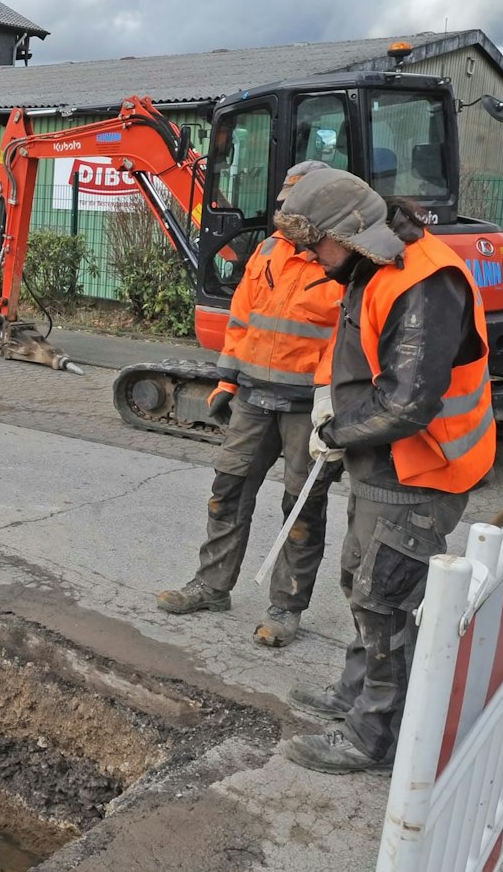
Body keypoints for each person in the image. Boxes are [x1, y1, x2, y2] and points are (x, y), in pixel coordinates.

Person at [272, 168, 496, 775]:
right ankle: (355, 694)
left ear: (350, 231)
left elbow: (405, 403)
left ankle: (376, 734)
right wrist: (332, 401)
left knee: (385, 597)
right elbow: (357, 354)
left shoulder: (422, 282)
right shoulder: (368, 266)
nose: (313, 258)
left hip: (421, 467)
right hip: (386, 460)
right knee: (362, 581)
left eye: (316, 243)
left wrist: (334, 432)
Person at [157, 161, 343, 648]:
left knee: (302, 509)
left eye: (294, 204)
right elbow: (242, 321)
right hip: (254, 400)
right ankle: (212, 586)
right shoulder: (267, 253)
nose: (284, 212)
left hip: (307, 407)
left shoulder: (340, 263)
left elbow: (344, 340)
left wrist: (329, 403)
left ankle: (286, 607)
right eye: (283, 203)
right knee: (228, 492)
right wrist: (227, 382)